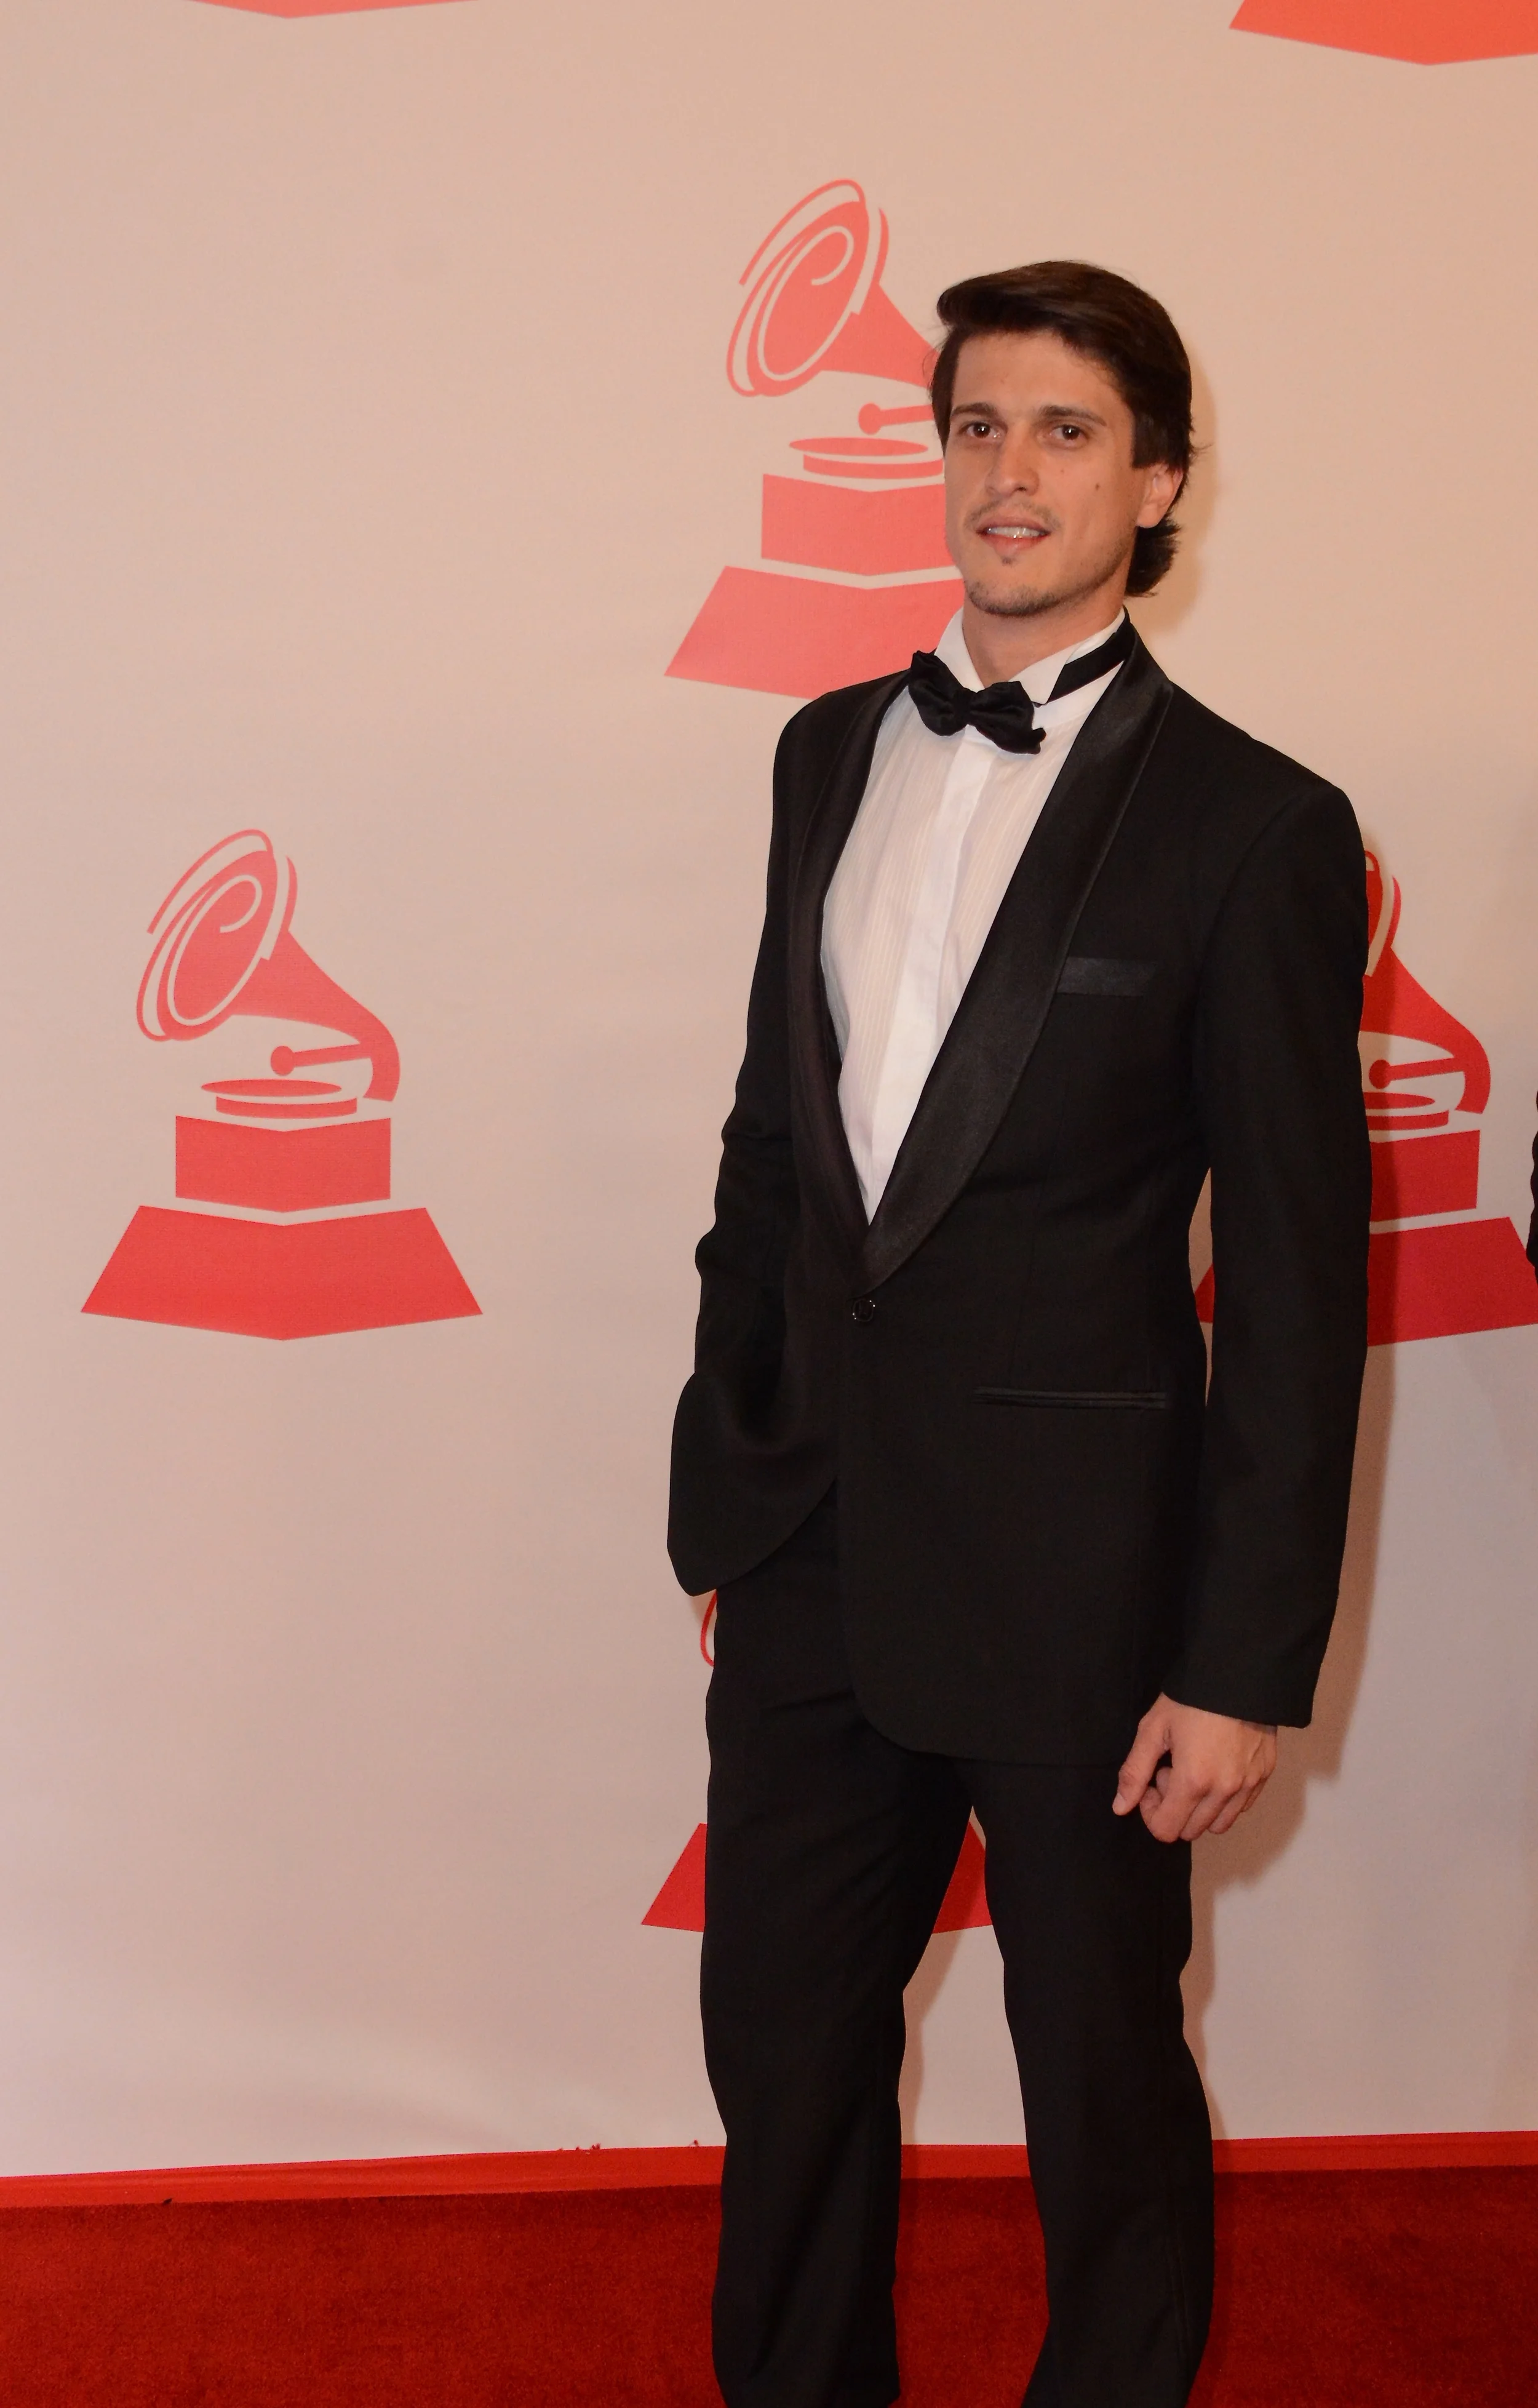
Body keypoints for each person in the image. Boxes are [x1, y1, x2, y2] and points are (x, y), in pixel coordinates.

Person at [668, 260, 1371, 2408]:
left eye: (1066, 431)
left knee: (1099, 2091)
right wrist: (728, 1491)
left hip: (1087, 1598)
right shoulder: (820, 755)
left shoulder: (1256, 825)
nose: (1010, 471)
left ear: (1155, 482)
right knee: (783, 2069)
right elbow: (773, 1154)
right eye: (977, 424)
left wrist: (1239, 1662)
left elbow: (1299, 1281)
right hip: (811, 1556)